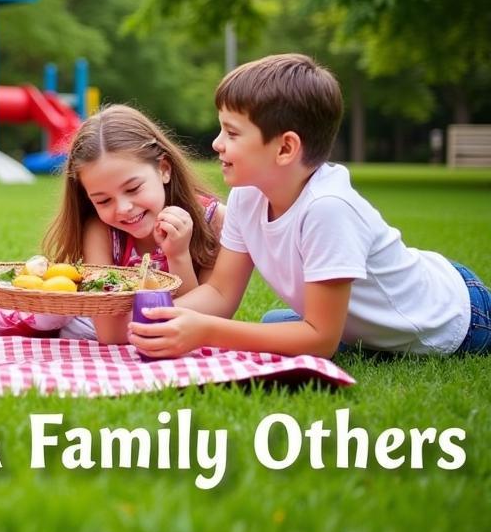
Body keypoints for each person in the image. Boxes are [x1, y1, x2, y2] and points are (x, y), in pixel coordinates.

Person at [130, 53, 491, 359]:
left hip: (458, 315)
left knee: (299, 332)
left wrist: (205, 331)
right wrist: (154, 314)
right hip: (372, 319)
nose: (217, 143)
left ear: (285, 148)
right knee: (275, 324)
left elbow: (320, 340)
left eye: (232, 133)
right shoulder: (248, 193)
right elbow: (220, 293)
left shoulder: (327, 208)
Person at [0, 104, 224, 342]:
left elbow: (197, 318)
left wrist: (178, 254)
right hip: (96, 321)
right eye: (103, 201)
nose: (123, 208)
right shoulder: (101, 231)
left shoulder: (212, 219)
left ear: (164, 169)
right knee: (24, 315)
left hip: (125, 325)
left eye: (133, 188)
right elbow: (110, 333)